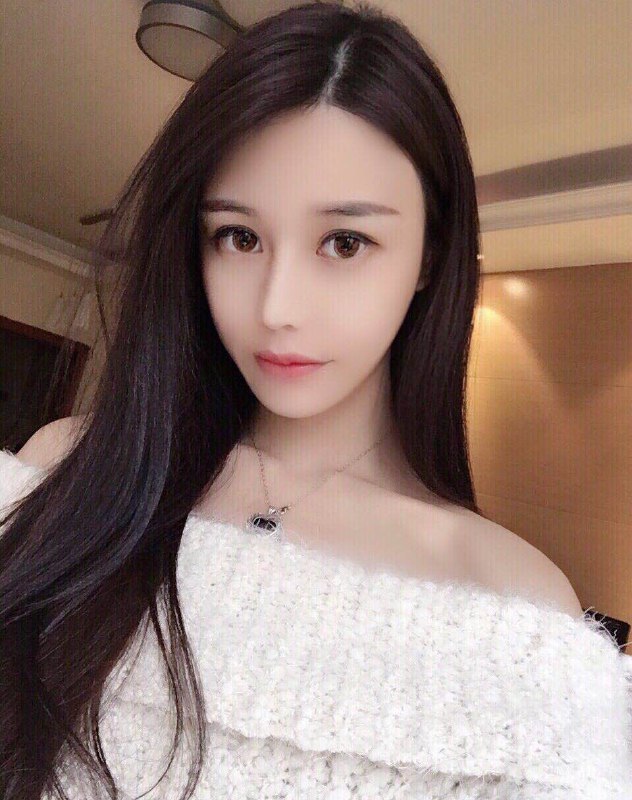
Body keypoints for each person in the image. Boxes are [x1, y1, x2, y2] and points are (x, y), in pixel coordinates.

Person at [1, 3, 630, 799]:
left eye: (344, 242)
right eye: (239, 237)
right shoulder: (69, 469)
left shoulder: (515, 614)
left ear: (429, 257)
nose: (277, 307)